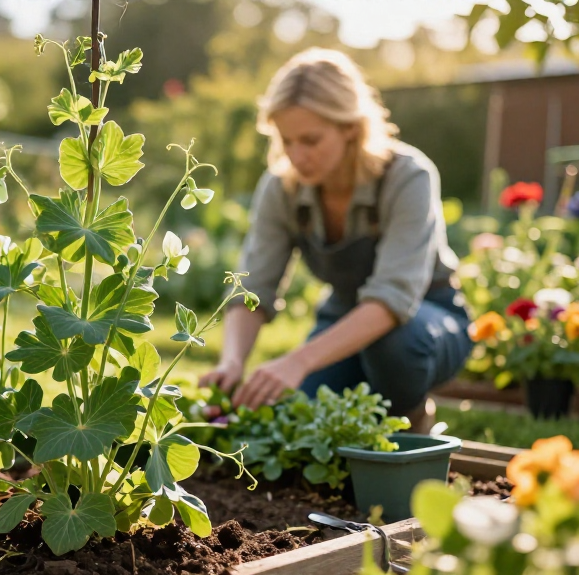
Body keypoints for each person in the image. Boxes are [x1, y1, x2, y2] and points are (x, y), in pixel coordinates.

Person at [198, 48, 472, 432]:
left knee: (395, 344)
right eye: (287, 140)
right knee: (299, 421)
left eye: (310, 140)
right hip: (341, 317)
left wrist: (298, 360)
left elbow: (393, 299)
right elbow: (252, 286)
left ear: (350, 127)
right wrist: (232, 362)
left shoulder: (408, 177)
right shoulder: (282, 188)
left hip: (426, 320)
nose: (297, 156)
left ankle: (412, 417)